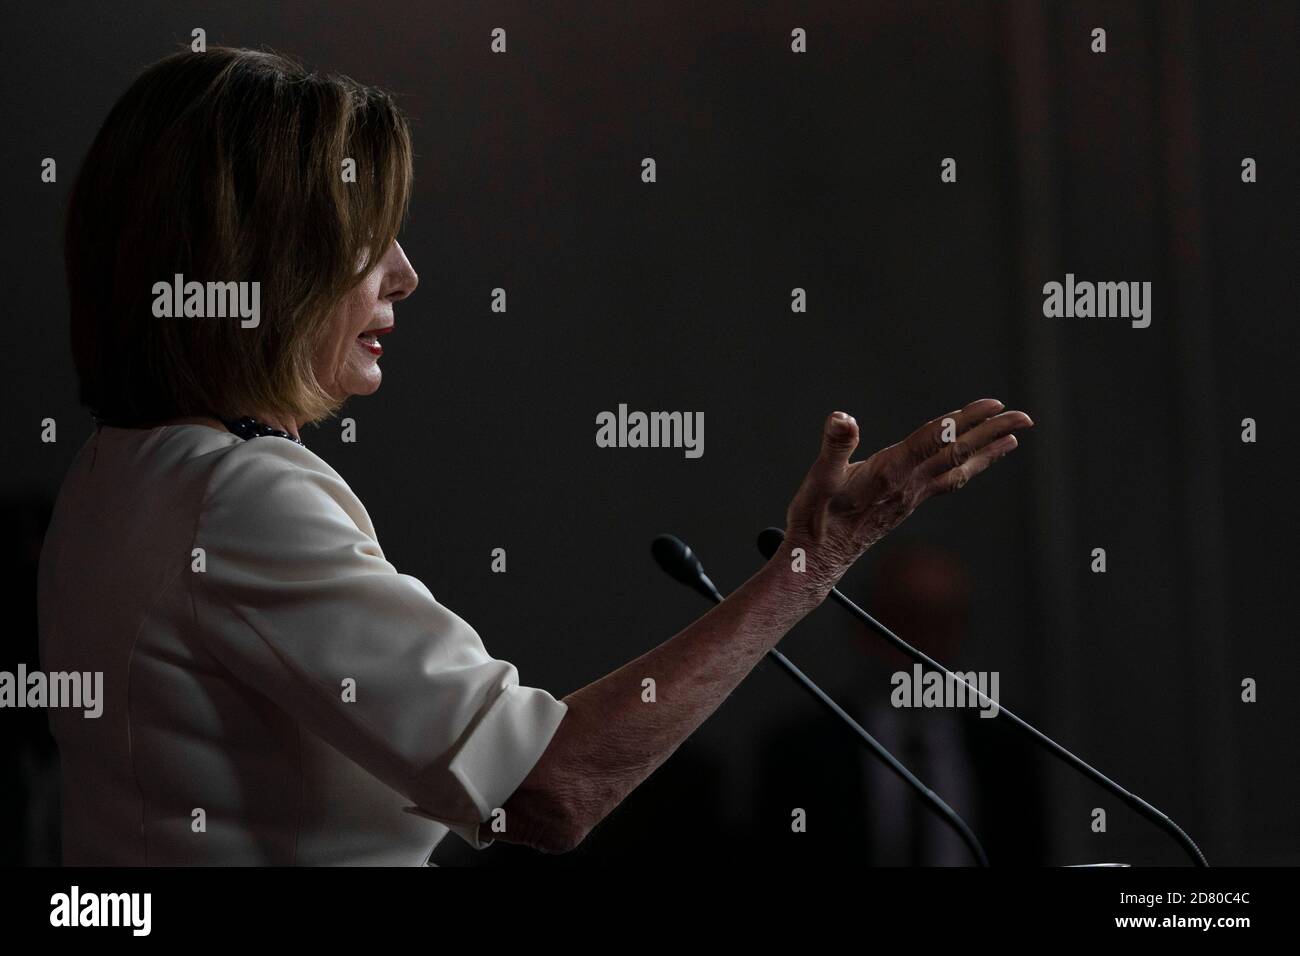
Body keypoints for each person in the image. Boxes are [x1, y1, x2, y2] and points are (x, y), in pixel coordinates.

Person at [39, 46, 1033, 865]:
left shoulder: (114, 470)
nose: (404, 272)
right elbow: (550, 789)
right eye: (366, 235)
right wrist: (807, 568)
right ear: (262, 256)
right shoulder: (240, 494)